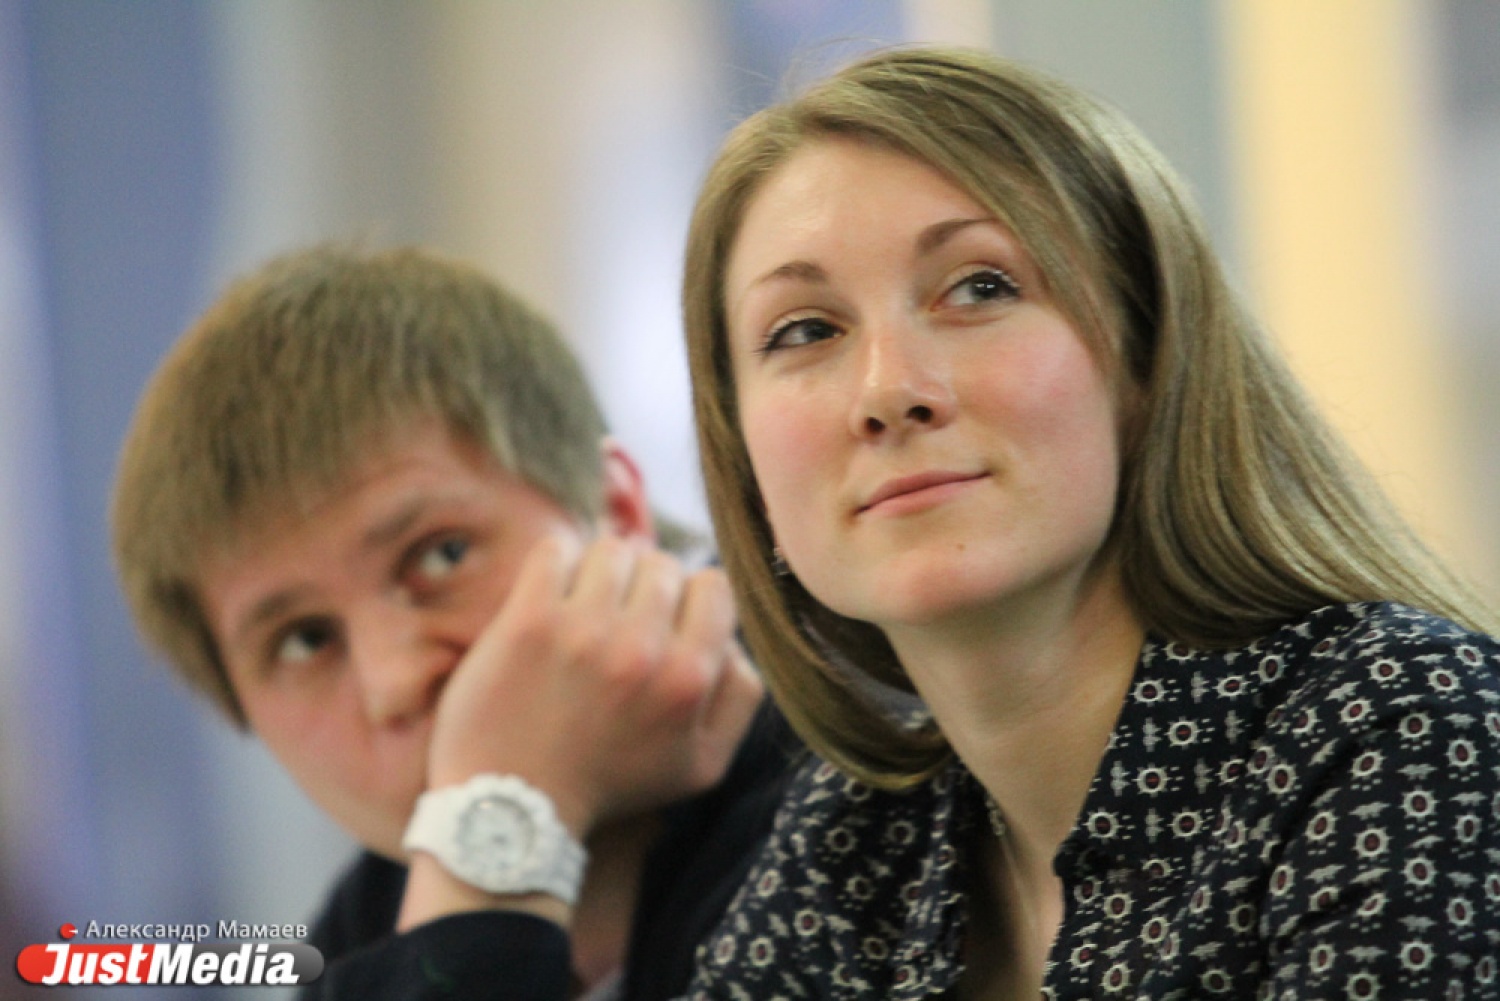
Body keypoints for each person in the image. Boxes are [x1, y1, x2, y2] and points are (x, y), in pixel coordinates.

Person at [677, 46, 1500, 999]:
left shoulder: (1400, 723)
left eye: (980, 287)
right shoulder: (858, 839)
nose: (888, 390)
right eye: (806, 330)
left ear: (1149, 360)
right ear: (745, 463)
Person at [110, 244, 788, 1000]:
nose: (396, 678)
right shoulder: (356, 942)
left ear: (618, 514)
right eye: (305, 640)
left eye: (441, 555)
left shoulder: (858, 781)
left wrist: (490, 833)